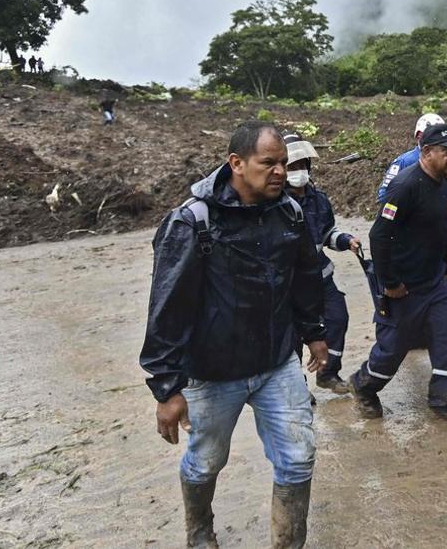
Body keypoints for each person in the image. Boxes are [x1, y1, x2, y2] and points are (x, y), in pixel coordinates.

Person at [139, 120, 328, 548]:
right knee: (205, 463)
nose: (280, 172)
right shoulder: (192, 222)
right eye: (269, 163)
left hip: (277, 362)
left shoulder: (290, 214)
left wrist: (315, 331)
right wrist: (167, 389)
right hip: (212, 372)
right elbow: (166, 308)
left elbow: (304, 277)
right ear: (237, 163)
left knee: (299, 459)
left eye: (284, 163)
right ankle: (200, 532)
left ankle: (288, 542)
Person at [348, 122, 447, 424]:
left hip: (435, 284)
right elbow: (379, 237)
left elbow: (437, 228)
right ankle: (364, 386)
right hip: (404, 288)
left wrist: (444, 270)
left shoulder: (444, 185)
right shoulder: (404, 187)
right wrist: (390, 283)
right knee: (393, 349)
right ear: (427, 151)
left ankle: (443, 402)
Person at [283, 133, 362, 394]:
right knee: (291, 337)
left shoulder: (319, 199)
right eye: (293, 166)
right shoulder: (275, 204)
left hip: (321, 279)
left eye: (302, 165)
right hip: (290, 285)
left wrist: (347, 240)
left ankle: (328, 373)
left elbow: (328, 234)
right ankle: (298, 390)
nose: (299, 171)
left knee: (338, 319)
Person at [378, 112, 447, 237]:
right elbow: (384, 195)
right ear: (419, 136)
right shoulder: (404, 162)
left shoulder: (441, 164)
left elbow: (435, 197)